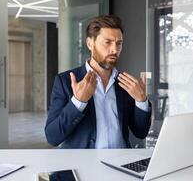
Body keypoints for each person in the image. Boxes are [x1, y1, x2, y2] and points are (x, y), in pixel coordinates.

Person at [45, 15, 152, 149]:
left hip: (120, 164)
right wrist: (78, 102)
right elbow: (52, 137)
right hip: (83, 166)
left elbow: (140, 132)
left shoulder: (125, 83)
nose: (115, 49)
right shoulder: (65, 81)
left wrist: (141, 101)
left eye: (119, 43)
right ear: (90, 43)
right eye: (108, 42)